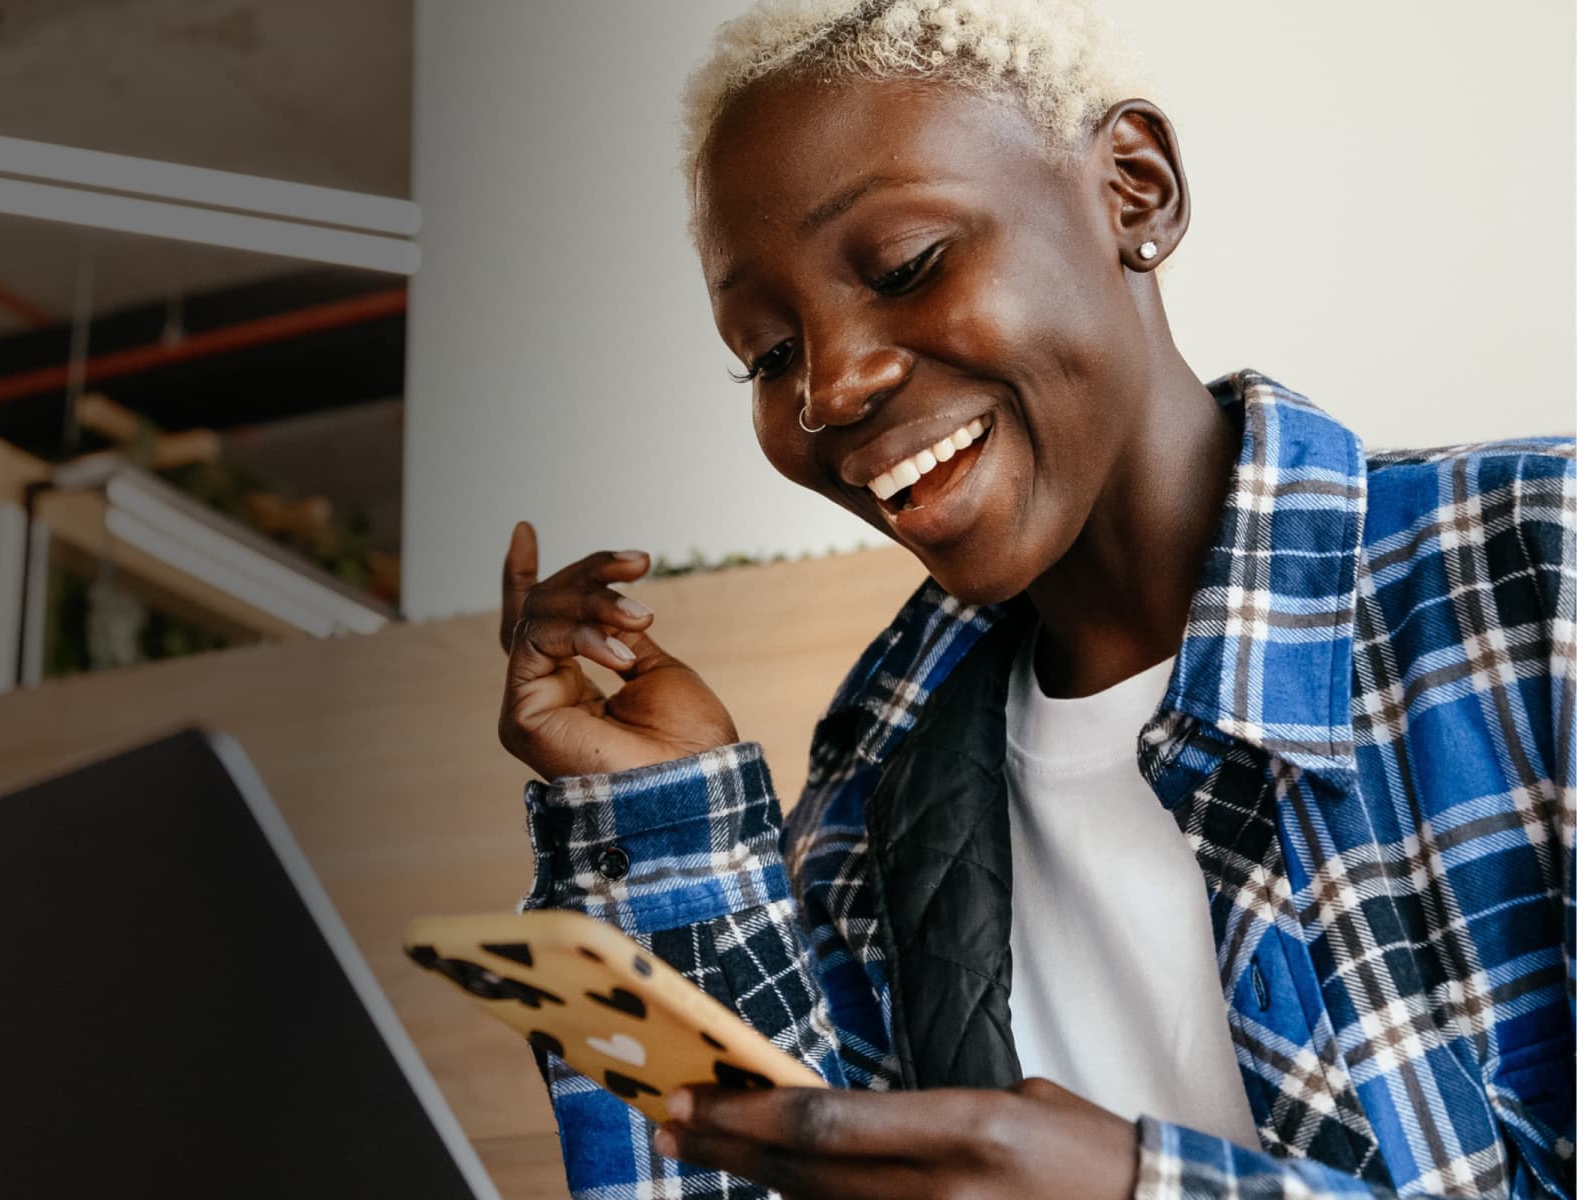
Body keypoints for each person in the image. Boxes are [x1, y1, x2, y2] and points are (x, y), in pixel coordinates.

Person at [493, 1, 1576, 1197]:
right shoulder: (881, 771)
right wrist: (660, 826)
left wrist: (1135, 1187)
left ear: (1132, 187)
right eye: (767, 353)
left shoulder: (1537, 574)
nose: (828, 389)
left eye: (904, 266)